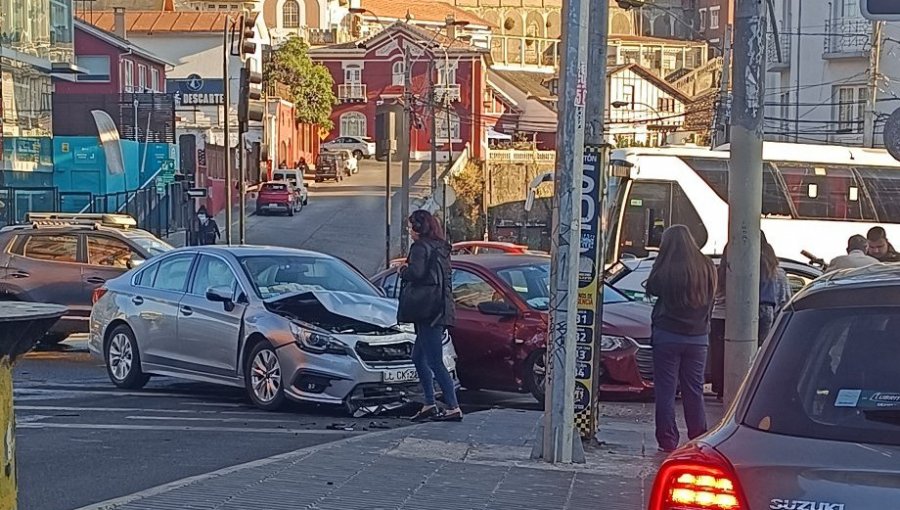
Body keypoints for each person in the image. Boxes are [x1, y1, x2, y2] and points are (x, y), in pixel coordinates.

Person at [645, 225, 717, 452]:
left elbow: (652, 288)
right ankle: (698, 436)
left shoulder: (666, 267)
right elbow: (712, 298)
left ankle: (667, 440)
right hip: (697, 337)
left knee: (666, 390)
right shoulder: (706, 265)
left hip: (667, 335)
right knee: (694, 389)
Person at [709, 232, 790, 399]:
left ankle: (723, 388)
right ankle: (752, 390)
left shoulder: (724, 270)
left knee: (722, 354)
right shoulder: (776, 272)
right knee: (759, 353)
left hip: (722, 314)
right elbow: (783, 300)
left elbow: (714, 296)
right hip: (764, 310)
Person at [397, 210, 460, 422]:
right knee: (418, 357)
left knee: (434, 361)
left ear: (418, 227)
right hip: (440, 308)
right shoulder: (441, 248)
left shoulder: (420, 248)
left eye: (410, 227)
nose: (409, 231)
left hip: (426, 311)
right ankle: (429, 403)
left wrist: (402, 270)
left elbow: (416, 274)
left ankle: (452, 406)